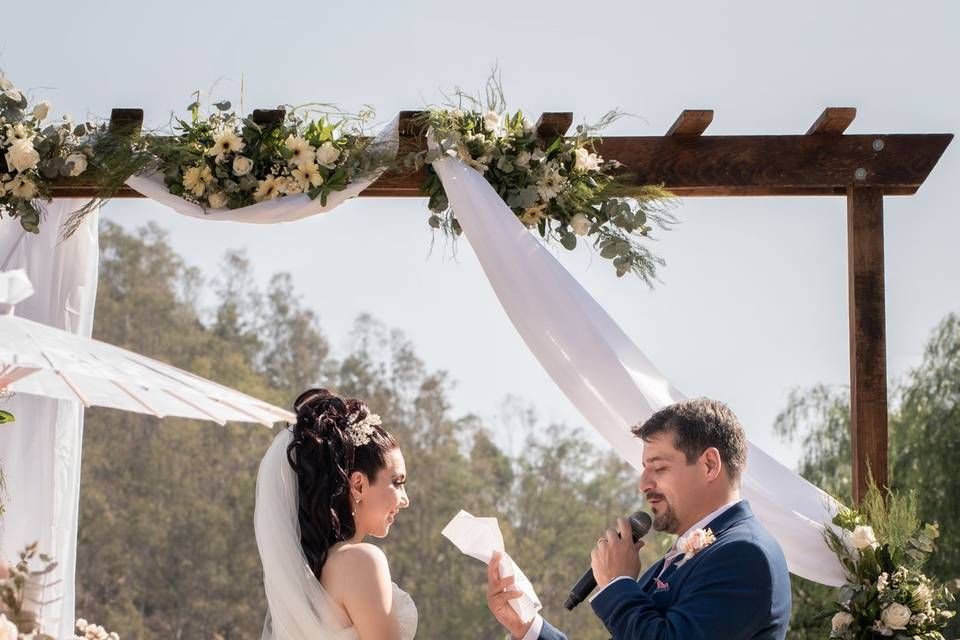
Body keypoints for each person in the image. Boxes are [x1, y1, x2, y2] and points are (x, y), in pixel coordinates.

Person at [486, 398, 791, 639]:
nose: (644, 485)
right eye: (644, 469)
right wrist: (530, 629)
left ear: (709, 465)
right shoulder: (673, 560)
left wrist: (618, 584)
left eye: (658, 468)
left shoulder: (744, 555)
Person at [254, 388, 416, 640]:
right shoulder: (361, 562)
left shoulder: (308, 578)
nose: (405, 500)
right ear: (359, 484)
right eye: (397, 482)